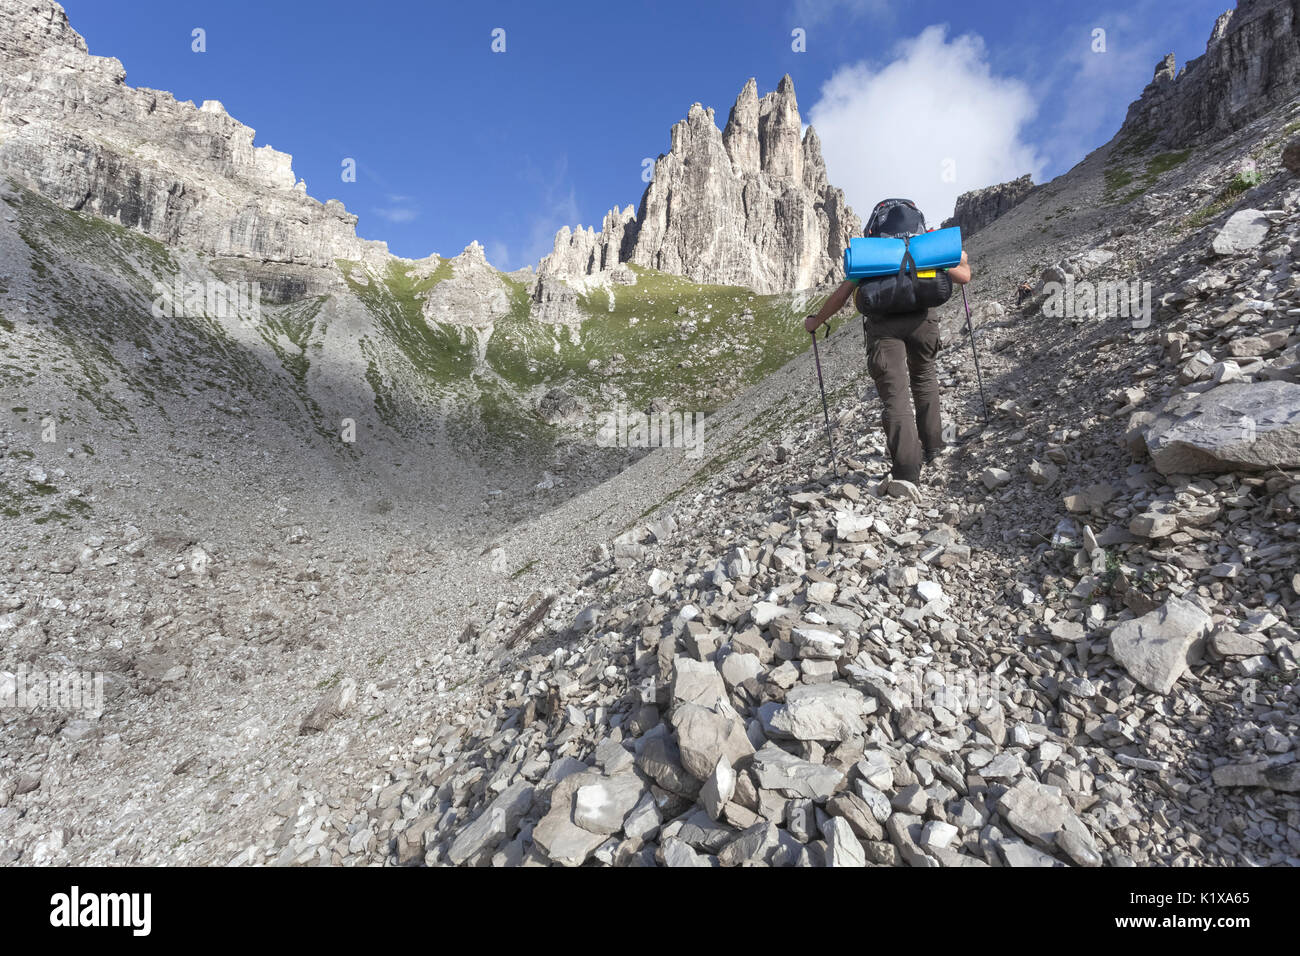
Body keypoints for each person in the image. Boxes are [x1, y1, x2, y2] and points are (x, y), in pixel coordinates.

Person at [804, 201, 971, 485]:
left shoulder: (874, 255)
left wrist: (815, 322)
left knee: (896, 396)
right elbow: (964, 276)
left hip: (884, 329)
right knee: (925, 380)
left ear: (876, 229)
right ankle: (934, 448)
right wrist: (950, 254)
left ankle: (906, 472)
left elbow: (842, 295)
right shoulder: (922, 248)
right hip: (924, 323)